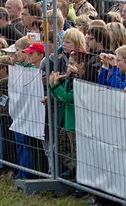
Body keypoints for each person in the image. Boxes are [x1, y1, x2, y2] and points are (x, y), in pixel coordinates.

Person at [49, 50, 87, 180]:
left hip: (75, 122)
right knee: (58, 147)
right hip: (66, 121)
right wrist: (54, 85)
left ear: (81, 64)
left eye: (72, 64)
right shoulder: (69, 78)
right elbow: (60, 96)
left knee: (77, 152)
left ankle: (77, 178)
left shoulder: (79, 80)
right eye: (68, 64)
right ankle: (72, 171)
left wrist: (54, 86)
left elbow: (66, 97)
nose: (68, 67)